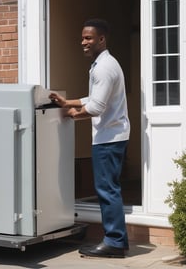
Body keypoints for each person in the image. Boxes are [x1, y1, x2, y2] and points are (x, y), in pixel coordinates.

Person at [49, 19, 130, 258]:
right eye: (83, 37)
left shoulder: (104, 68)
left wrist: (73, 115)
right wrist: (68, 102)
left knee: (107, 190)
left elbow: (96, 107)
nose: (83, 42)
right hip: (110, 136)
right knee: (108, 188)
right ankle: (115, 241)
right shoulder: (102, 64)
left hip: (109, 137)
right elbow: (94, 97)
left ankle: (114, 243)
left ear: (101, 39)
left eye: (89, 38)